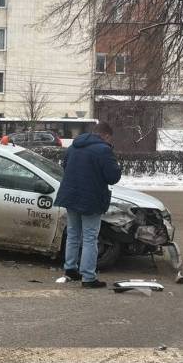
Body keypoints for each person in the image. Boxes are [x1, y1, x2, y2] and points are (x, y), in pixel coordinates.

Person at [54, 122, 121, 288]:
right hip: (91, 198)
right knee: (90, 237)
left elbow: (65, 167)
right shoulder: (104, 150)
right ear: (105, 135)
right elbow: (112, 177)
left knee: (73, 234)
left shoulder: (73, 146)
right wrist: (116, 165)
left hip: (71, 196)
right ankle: (89, 277)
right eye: (109, 138)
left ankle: (70, 269)